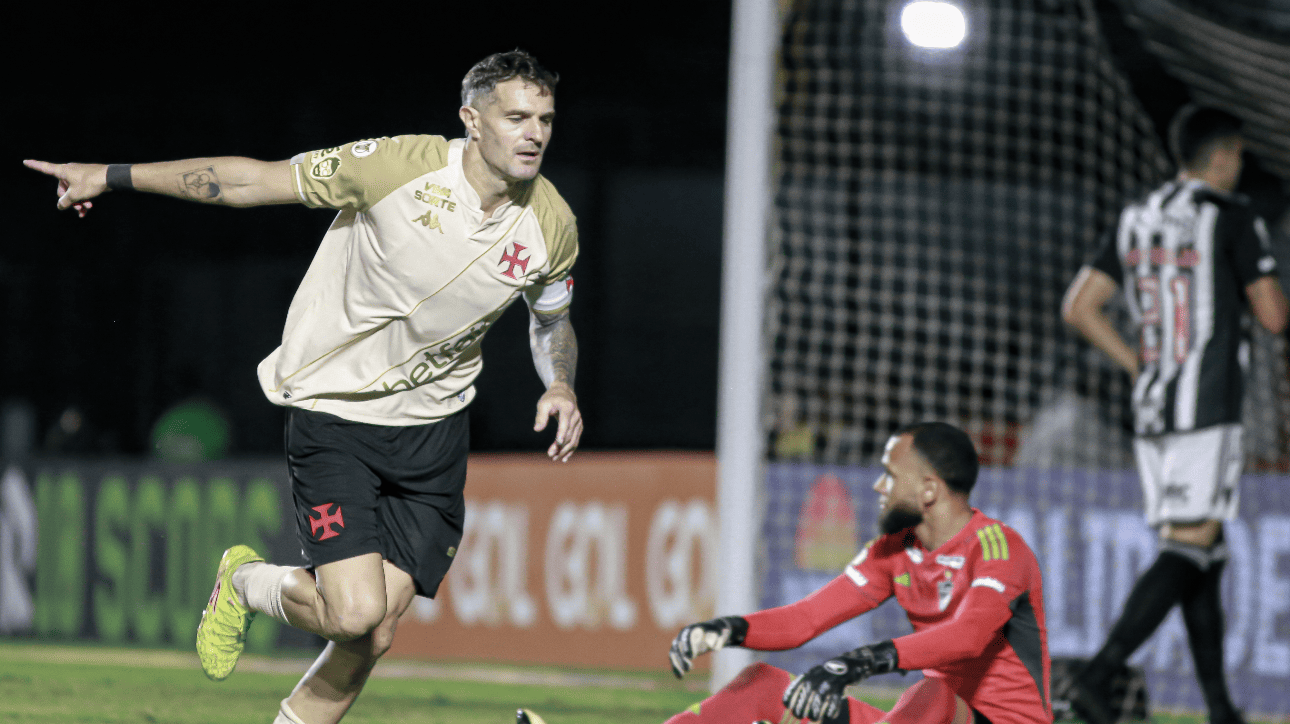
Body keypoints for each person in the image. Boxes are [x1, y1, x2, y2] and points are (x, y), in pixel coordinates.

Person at [25, 50, 583, 724]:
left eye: (545, 119)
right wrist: (110, 177)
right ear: (472, 118)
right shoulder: (396, 168)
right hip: (335, 414)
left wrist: (559, 383)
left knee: (372, 635)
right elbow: (250, 182)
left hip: (434, 435)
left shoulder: (551, 224)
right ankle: (244, 579)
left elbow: (552, 322)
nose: (535, 133)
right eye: (516, 116)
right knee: (354, 611)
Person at [520, 422, 1052, 724]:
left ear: (930, 490)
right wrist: (728, 629)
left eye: (890, 477)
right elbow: (805, 620)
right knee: (760, 683)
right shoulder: (892, 552)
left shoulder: (999, 547)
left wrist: (855, 664)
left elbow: (966, 636)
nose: (878, 488)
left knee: (929, 696)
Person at [1060, 104, 1288, 724]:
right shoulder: (1232, 218)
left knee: (1204, 552)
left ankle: (1220, 709)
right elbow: (1273, 316)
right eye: (1238, 154)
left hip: (1154, 408)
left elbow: (1081, 307)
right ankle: (1098, 674)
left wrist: (1137, 363)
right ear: (1221, 155)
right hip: (1207, 405)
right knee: (1191, 544)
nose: (1240, 166)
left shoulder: (1138, 217)